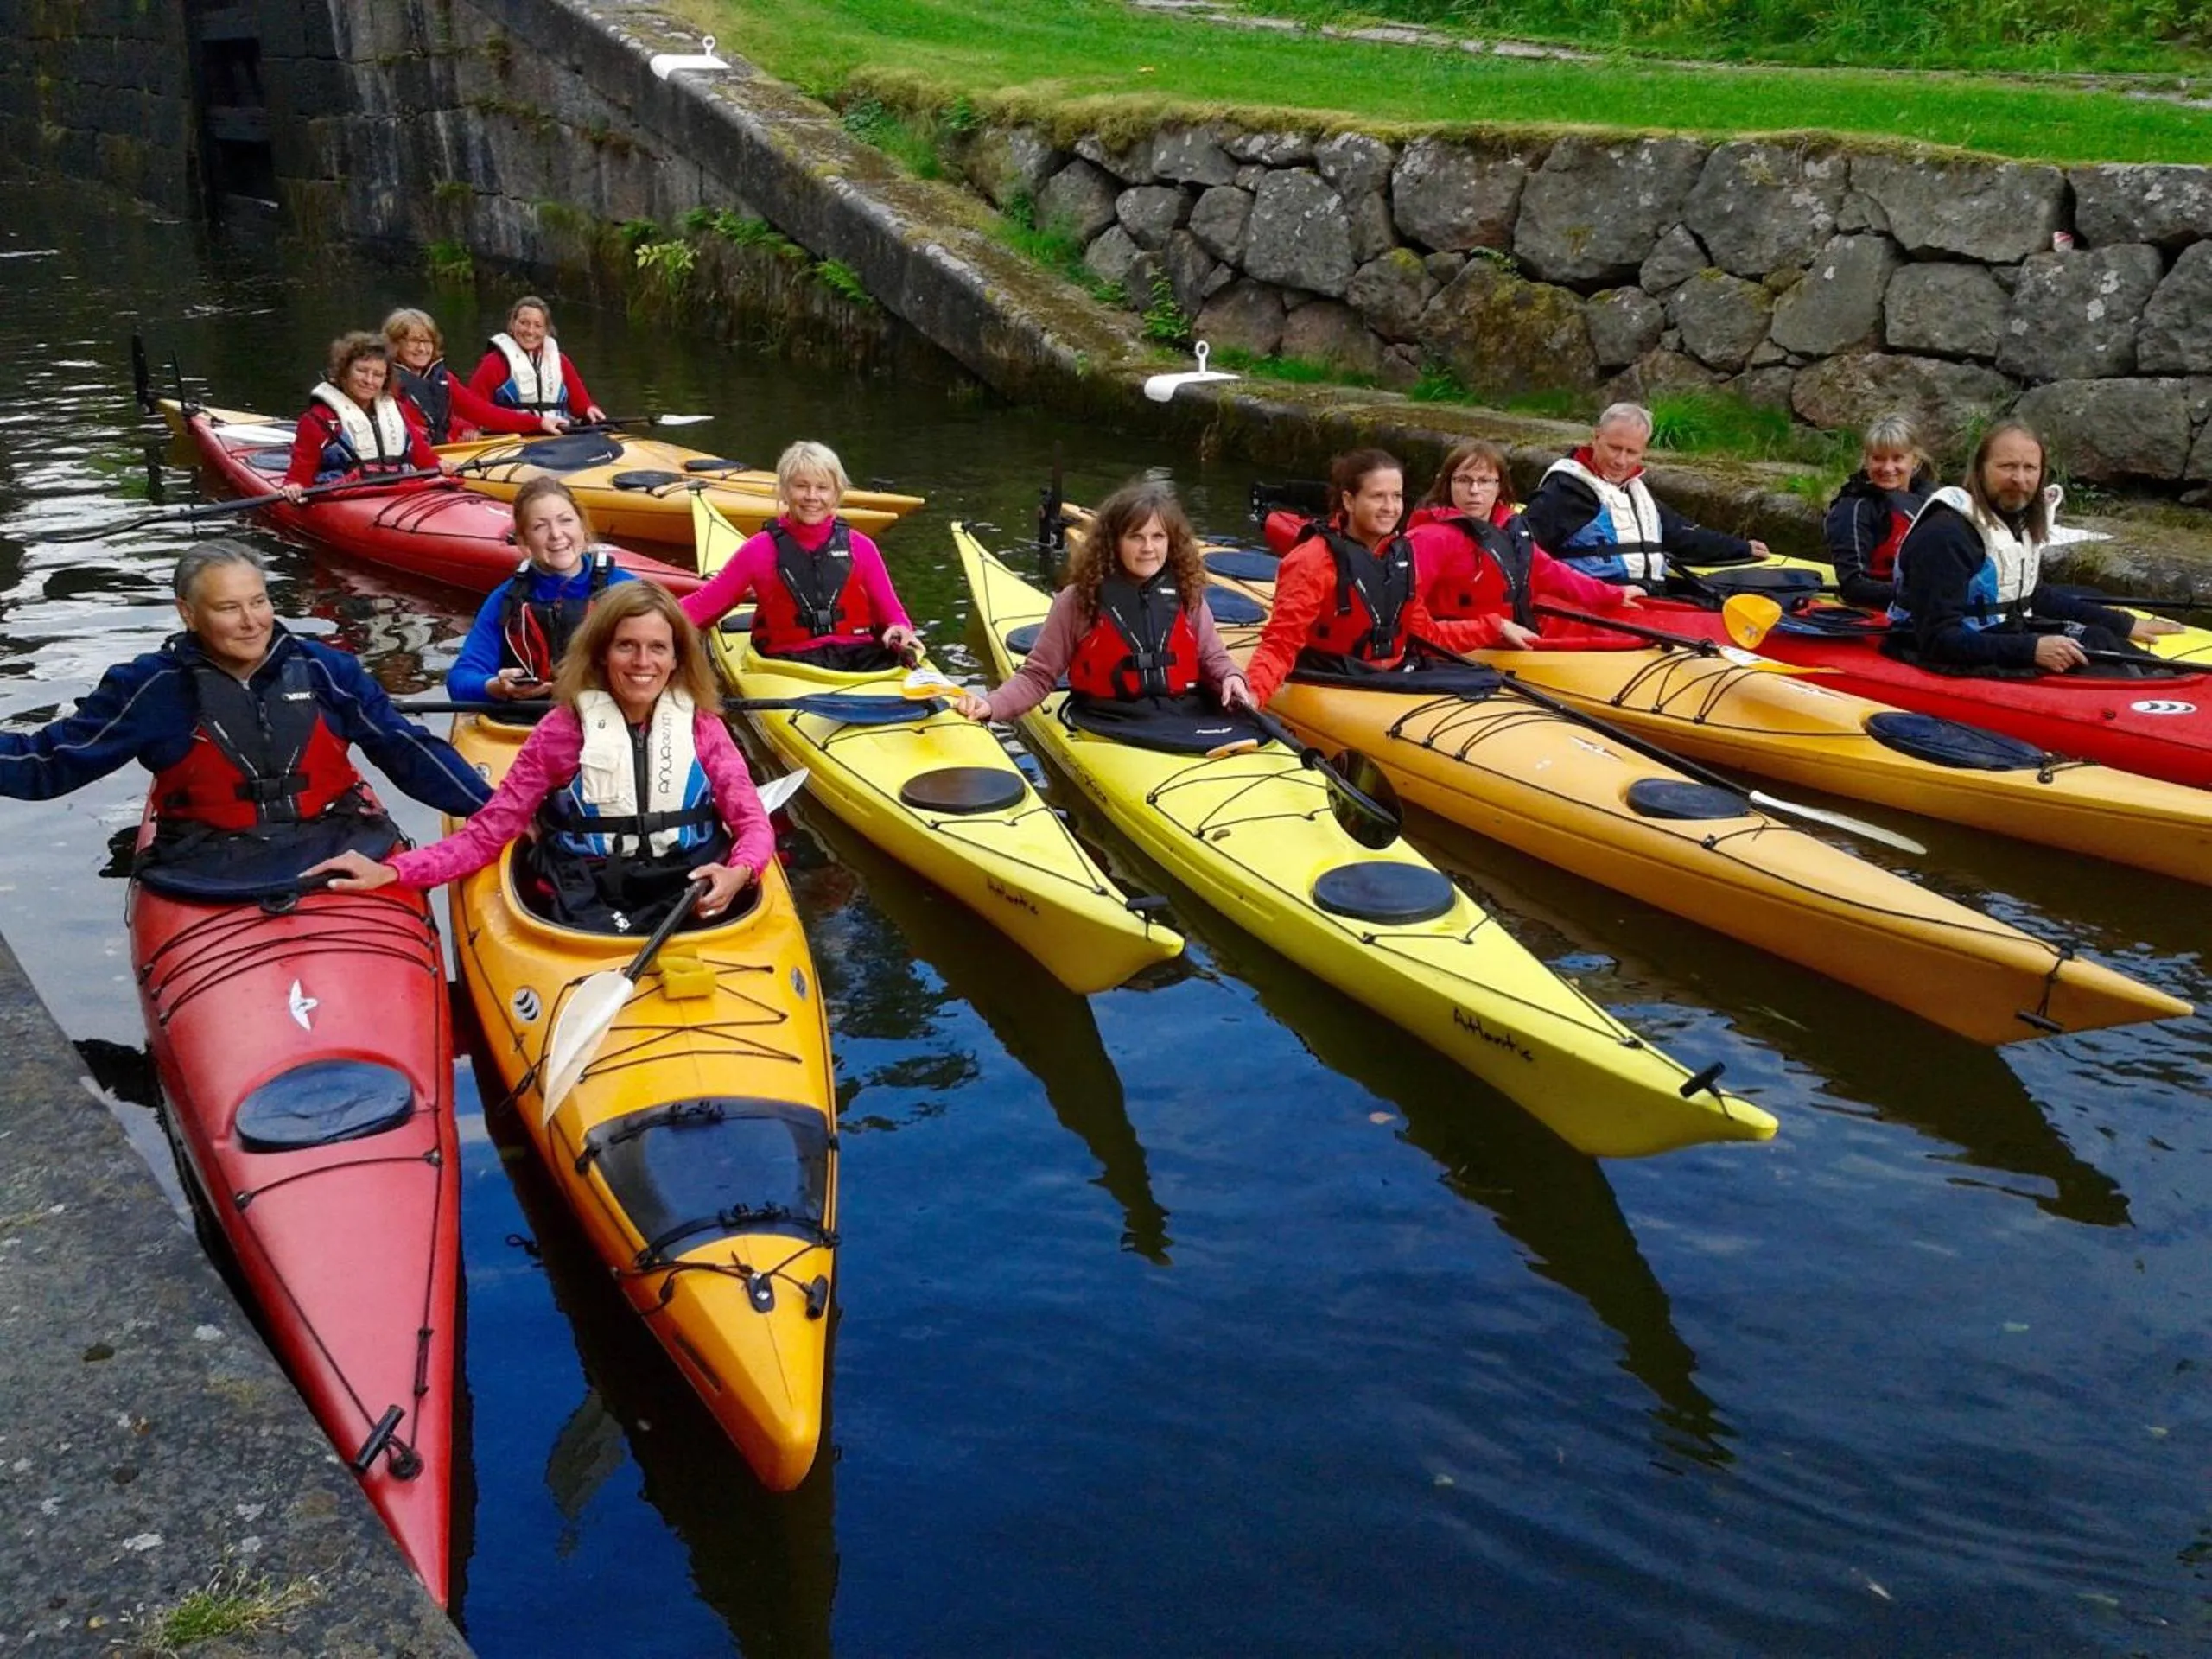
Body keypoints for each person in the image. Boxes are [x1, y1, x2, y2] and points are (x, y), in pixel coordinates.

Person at [0, 541, 488, 892]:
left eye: (259, 602)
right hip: (205, 864)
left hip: (336, 845)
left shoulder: (324, 668)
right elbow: (48, 763)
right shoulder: (150, 687)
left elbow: (404, 747)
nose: (252, 621)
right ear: (188, 614)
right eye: (229, 608)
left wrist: (492, 810)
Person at [311, 583, 769, 932]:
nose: (641, 662)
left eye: (657, 648)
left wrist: (741, 871)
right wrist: (391, 871)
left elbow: (752, 823)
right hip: (592, 892)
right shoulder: (561, 733)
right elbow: (486, 836)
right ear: (602, 653)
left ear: (676, 660)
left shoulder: (703, 728)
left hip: (689, 883)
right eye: (626, 645)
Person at [955, 480, 1255, 735]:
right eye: (1136, 537)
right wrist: (992, 705)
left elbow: (1214, 658)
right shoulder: (1078, 601)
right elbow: (1038, 676)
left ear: (1171, 542)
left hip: (1183, 714)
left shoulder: (1188, 593)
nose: (1148, 547)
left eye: (1158, 536)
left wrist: (1232, 677)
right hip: (1109, 721)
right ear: (1113, 543)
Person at [1888, 420, 2180, 674]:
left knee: (2099, 639)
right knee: (2098, 664)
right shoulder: (1945, 534)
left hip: (2000, 635)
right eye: (2007, 467)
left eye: (2030, 468)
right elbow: (1938, 640)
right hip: (1939, 652)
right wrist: (2031, 649)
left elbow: (2033, 596)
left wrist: (2123, 624)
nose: (2020, 479)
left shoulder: (2014, 521)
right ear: (1980, 469)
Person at [1242, 448, 1519, 709]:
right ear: (1349, 500)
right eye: (1378, 496)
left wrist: (1494, 626)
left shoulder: (1399, 556)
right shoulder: (1313, 561)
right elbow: (1280, 644)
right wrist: (1252, 695)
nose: (1390, 507)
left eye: (1396, 496)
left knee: (1485, 678)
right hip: (1333, 674)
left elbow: (1427, 635)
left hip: (1393, 673)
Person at [681, 440, 921, 672]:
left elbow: (893, 612)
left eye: (822, 487)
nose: (812, 496)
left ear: (836, 494)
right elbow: (703, 606)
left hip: (858, 660)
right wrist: (651, 616)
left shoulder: (862, 547)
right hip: (786, 665)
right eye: (801, 486)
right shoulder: (757, 550)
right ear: (785, 491)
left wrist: (901, 627)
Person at [1407, 439, 1642, 641]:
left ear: (1499, 487)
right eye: (1464, 480)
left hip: (1505, 636)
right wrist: (1491, 628)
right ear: (1448, 484)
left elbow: (1550, 573)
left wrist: (1613, 594)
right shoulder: (1428, 538)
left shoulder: (1510, 530)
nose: (1475, 490)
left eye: (1486, 481)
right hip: (1460, 645)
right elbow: (1407, 614)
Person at [1521, 403, 1770, 586]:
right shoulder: (1565, 492)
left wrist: (1740, 547)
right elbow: (1521, 548)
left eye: (1632, 452)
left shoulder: (1633, 490)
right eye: (1615, 448)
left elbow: (1681, 534)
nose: (1621, 461)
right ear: (1596, 437)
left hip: (1646, 595)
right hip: (1596, 601)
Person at [448, 479, 635, 704]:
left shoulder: (626, 588)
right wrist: (497, 687)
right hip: (529, 721)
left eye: (566, 521)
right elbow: (460, 680)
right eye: (540, 526)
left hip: (608, 718)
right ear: (524, 539)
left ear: (582, 526)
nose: (556, 534)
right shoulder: (506, 600)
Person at [280, 331, 444, 499]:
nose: (369, 380)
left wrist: (440, 465)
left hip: (399, 492)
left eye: (378, 375)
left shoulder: (395, 410)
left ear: (385, 380)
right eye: (362, 371)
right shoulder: (317, 420)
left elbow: (423, 456)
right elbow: (299, 474)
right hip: (346, 497)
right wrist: (294, 486)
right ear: (344, 372)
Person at [382, 308, 564, 446]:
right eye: (414, 342)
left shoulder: (445, 379)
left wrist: (539, 423)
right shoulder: (385, 382)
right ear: (396, 344)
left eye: (427, 342)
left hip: (446, 453)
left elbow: (484, 412)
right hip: (417, 460)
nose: (422, 349)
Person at [1825, 413, 1936, 609]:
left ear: (1916, 461)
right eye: (1878, 458)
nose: (1887, 468)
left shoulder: (1931, 498)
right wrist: (1926, 596)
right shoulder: (1853, 509)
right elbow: (1854, 587)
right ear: (1867, 460)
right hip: (1882, 611)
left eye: (1897, 458)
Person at [467, 296, 606, 424]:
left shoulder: (561, 362)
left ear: (546, 330)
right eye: (523, 323)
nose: (530, 331)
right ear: (512, 324)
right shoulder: (494, 363)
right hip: (511, 438)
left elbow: (581, 404)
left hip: (557, 436)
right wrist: (469, 427)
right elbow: (471, 406)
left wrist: (589, 409)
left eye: (538, 326)